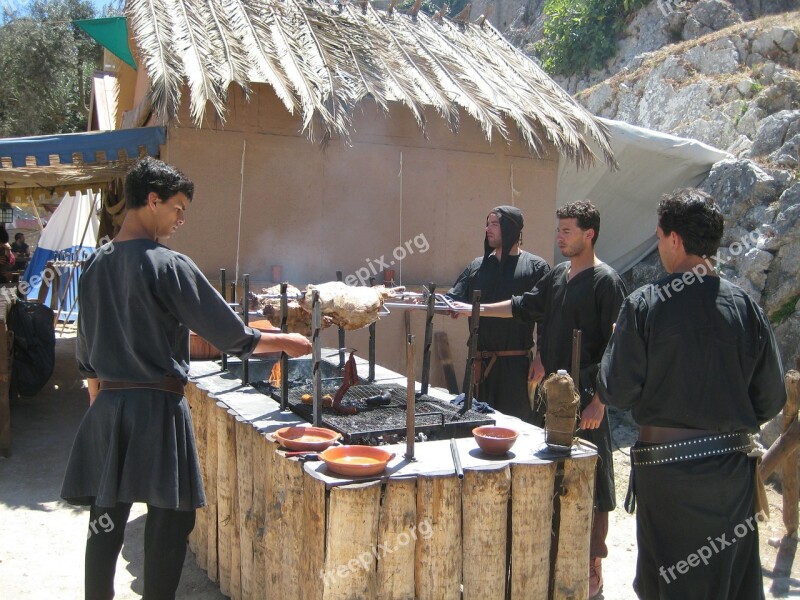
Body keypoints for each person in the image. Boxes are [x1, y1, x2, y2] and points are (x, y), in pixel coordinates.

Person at [60, 157, 312, 600]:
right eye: (177, 207)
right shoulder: (168, 264)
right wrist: (287, 341)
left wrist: (105, 407)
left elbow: (86, 358)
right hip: (157, 409)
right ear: (152, 200)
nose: (181, 218)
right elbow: (233, 337)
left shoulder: (95, 265)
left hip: (108, 408)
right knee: (171, 519)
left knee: (106, 520)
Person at [597, 188, 785, 599]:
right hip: (731, 476)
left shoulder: (645, 304)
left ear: (675, 239)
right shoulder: (746, 308)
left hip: (668, 479)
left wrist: (619, 346)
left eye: (660, 237)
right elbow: (772, 399)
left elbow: (616, 389)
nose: (659, 245)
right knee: (727, 584)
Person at [479, 200, 626, 599]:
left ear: (589, 234)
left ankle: (593, 567)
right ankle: (555, 558)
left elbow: (619, 347)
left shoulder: (606, 282)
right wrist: (474, 310)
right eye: (558, 230)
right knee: (556, 477)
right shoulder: (559, 275)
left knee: (593, 483)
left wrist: (601, 401)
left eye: (567, 231)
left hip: (589, 400)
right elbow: (526, 306)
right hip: (551, 399)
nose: (559, 237)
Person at [447, 205, 550, 421]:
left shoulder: (536, 268)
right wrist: (418, 300)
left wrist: (541, 358)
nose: (488, 229)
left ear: (511, 228)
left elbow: (546, 318)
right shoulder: (477, 266)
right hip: (478, 365)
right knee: (474, 425)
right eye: (487, 223)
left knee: (515, 427)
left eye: (495, 224)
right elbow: (451, 300)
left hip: (515, 367)